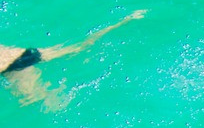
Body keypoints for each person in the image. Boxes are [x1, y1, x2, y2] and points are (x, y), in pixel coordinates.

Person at [1, 9, 147, 111]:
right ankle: (124, 21)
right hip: (18, 56)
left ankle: (123, 22)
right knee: (79, 47)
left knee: (48, 104)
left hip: (14, 64)